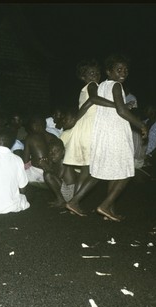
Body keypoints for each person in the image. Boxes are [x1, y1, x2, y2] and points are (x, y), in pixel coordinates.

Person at [88, 54, 147, 222]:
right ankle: (105, 206)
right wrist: (141, 125)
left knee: (116, 171)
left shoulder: (102, 86)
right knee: (127, 170)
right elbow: (121, 110)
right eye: (118, 69)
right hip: (116, 131)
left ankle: (110, 209)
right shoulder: (116, 86)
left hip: (104, 131)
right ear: (109, 71)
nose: (123, 72)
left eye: (126, 69)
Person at [63, 59, 116, 216]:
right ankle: (74, 202)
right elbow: (93, 100)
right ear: (83, 77)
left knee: (86, 170)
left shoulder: (86, 88)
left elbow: (88, 106)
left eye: (97, 73)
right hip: (89, 132)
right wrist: (119, 106)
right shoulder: (93, 86)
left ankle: (74, 204)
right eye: (91, 73)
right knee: (97, 169)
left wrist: (77, 118)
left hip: (84, 130)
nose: (96, 75)